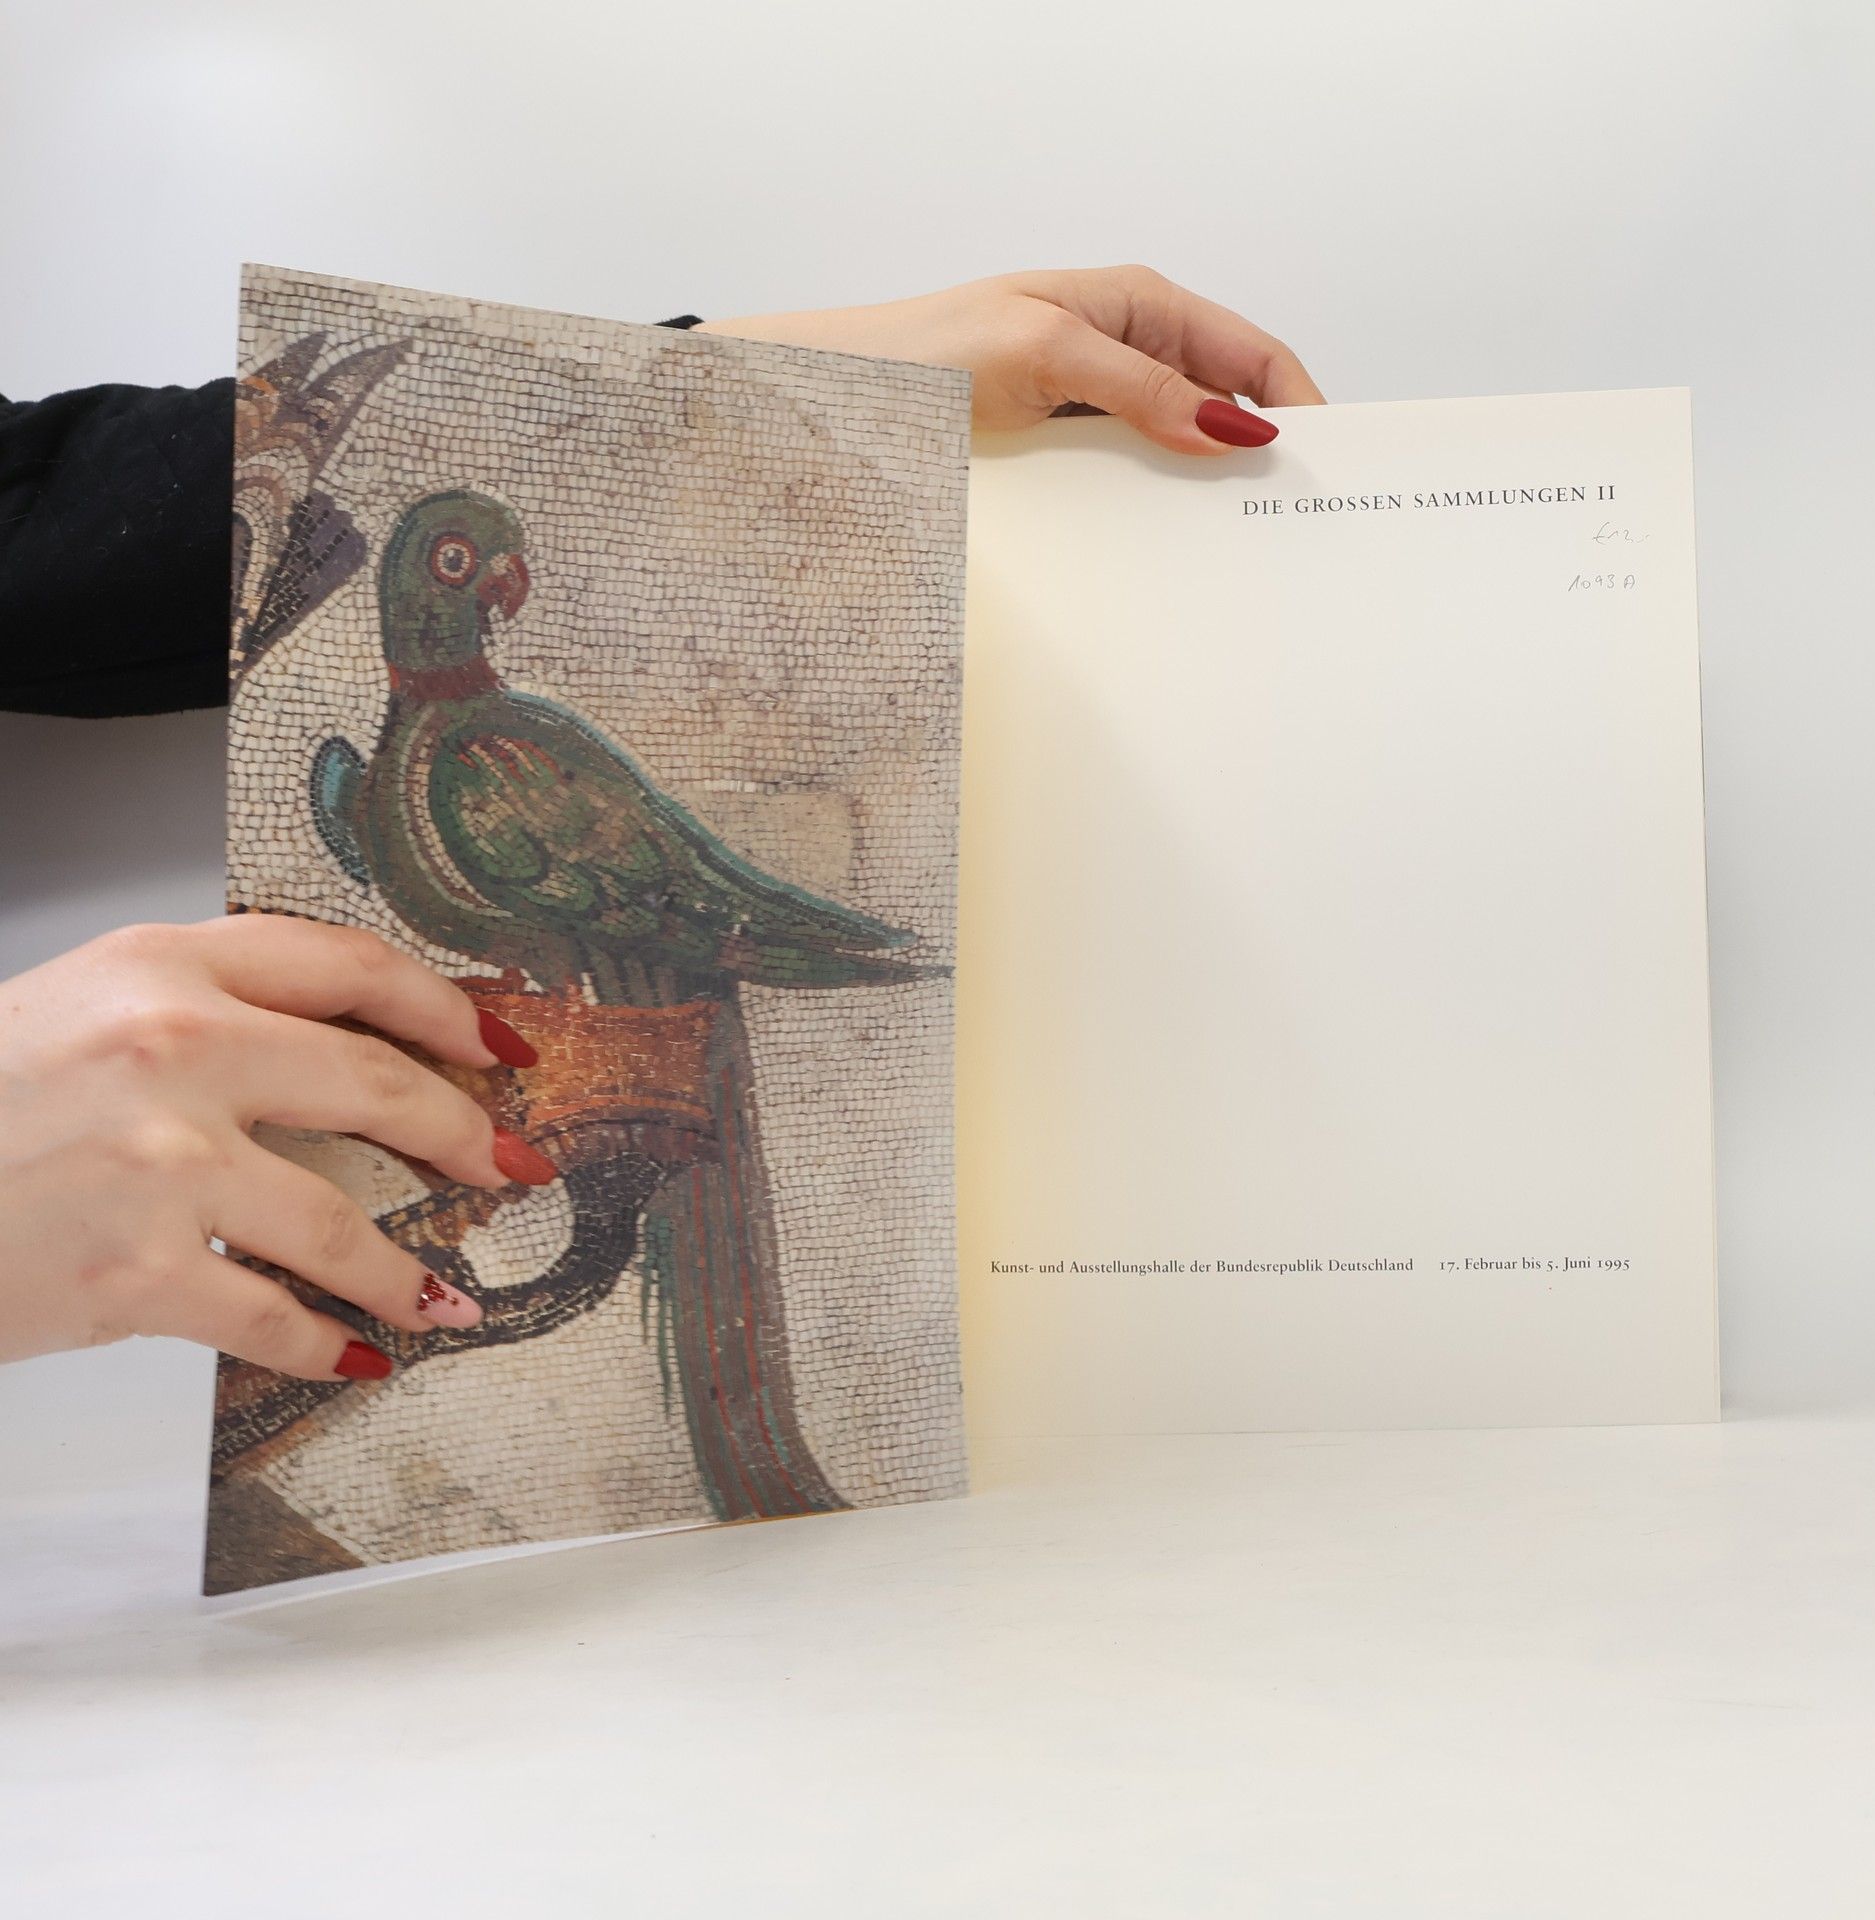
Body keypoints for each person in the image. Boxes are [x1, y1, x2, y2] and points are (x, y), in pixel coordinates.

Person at [0, 264, 1321, 1384]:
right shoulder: (397, 776)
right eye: (460, 564)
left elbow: (47, 516)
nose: (492, 586)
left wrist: (786, 373)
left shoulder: (495, 749)